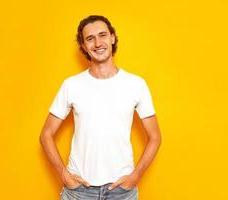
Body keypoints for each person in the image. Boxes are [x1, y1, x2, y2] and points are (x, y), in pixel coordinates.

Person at [40, 15, 162, 200]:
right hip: (79, 191)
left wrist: (135, 176)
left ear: (112, 38)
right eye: (90, 38)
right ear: (84, 45)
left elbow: (155, 136)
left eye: (102, 35)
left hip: (122, 191)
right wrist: (64, 175)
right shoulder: (71, 85)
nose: (97, 43)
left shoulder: (136, 84)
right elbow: (46, 134)